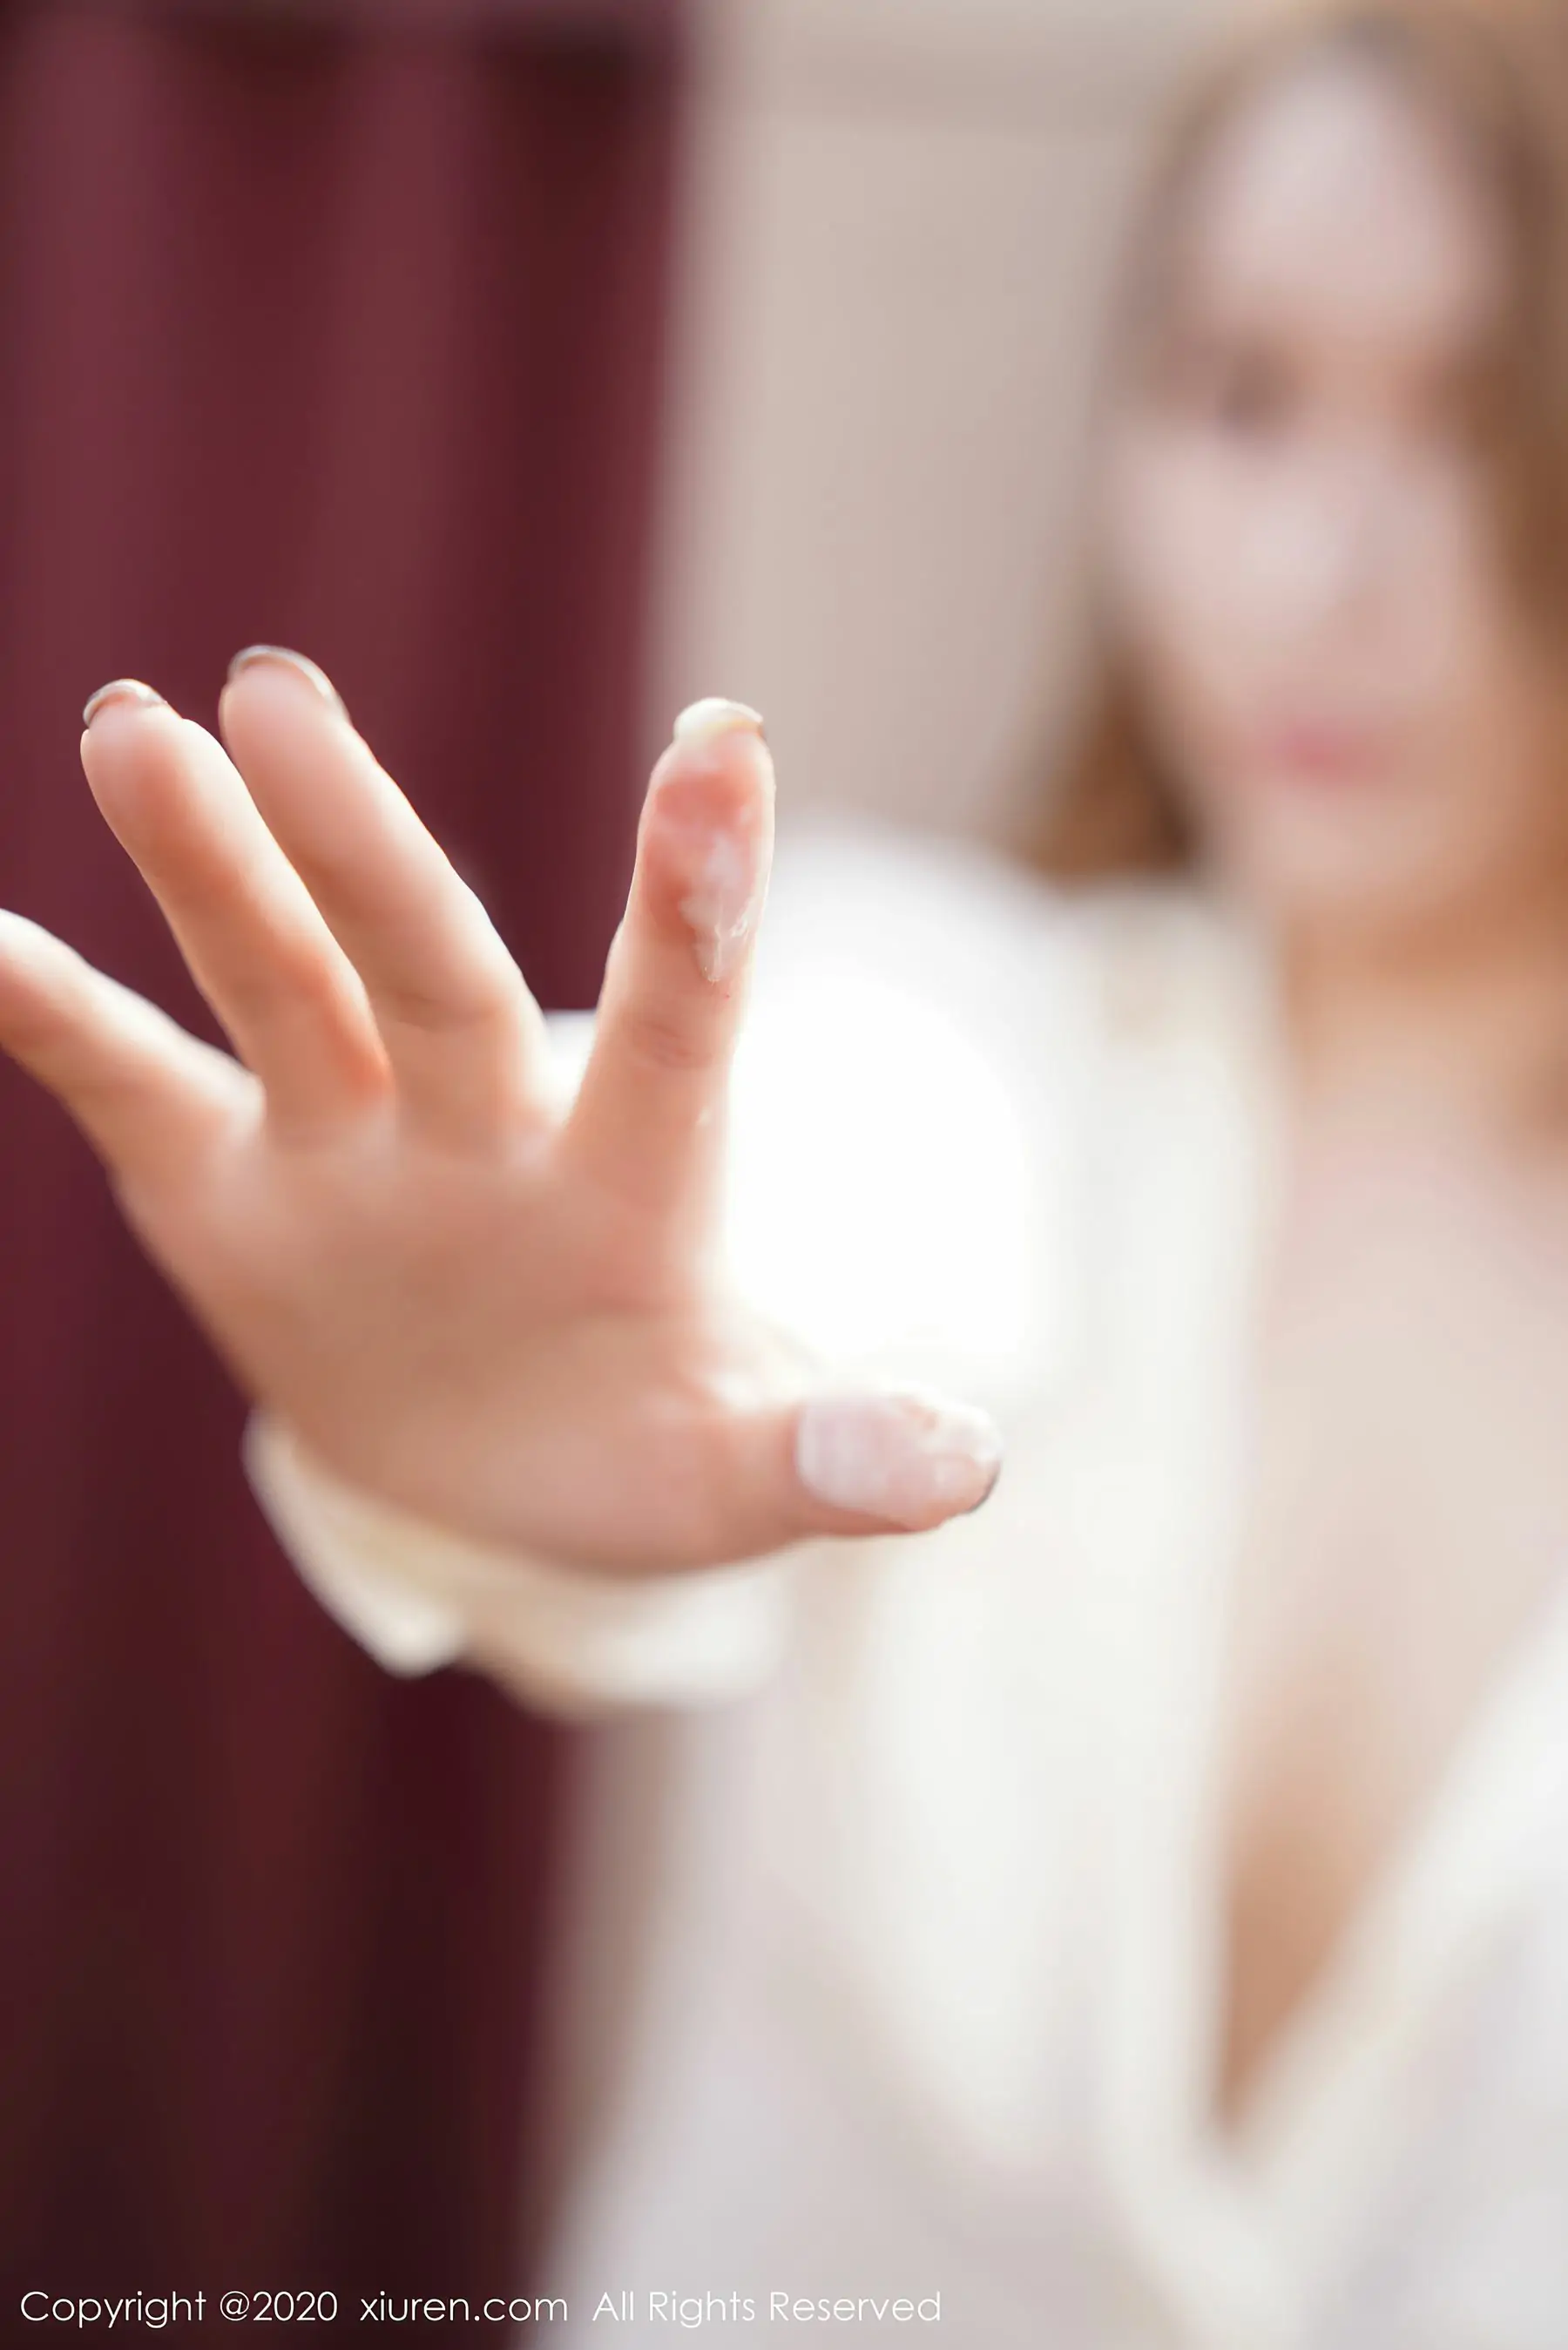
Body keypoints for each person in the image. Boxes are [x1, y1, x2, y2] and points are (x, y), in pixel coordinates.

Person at [6, 0, 1568, 2337]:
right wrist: (487, 1380)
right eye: (1242, 395)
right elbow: (785, 1203)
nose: (1325, 567)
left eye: (1483, 420)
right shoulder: (970, 1038)